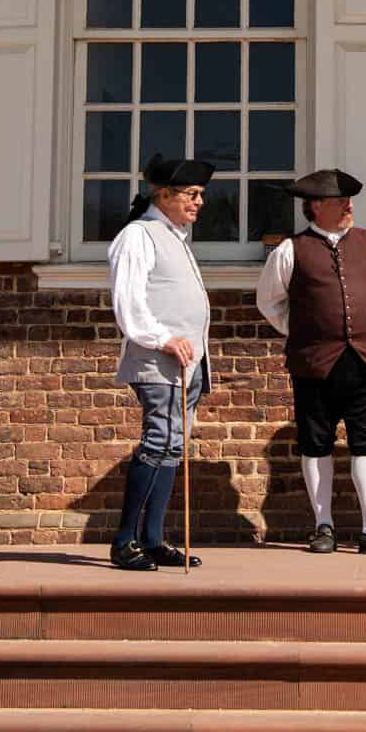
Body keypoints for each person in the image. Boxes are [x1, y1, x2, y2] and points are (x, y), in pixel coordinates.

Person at [256, 167, 366, 556]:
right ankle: (323, 526)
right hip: (314, 364)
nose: (348, 206)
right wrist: (304, 331)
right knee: (316, 444)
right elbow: (268, 302)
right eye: (338, 201)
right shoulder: (289, 251)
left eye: (348, 199)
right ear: (314, 207)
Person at [107, 153, 215, 572]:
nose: (199, 202)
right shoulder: (139, 236)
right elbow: (128, 304)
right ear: (163, 194)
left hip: (187, 364)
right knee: (158, 442)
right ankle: (124, 540)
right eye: (191, 194)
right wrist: (162, 338)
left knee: (172, 447)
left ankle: (152, 539)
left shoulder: (175, 236)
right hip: (159, 362)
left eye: (202, 195)